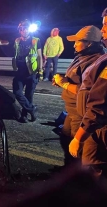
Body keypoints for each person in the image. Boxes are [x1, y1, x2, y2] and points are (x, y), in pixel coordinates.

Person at [53, 25, 105, 170]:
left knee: (79, 148)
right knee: (65, 138)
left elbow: (88, 92)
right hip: (71, 110)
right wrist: (63, 81)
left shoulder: (95, 61)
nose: (74, 44)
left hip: (80, 112)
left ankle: (77, 180)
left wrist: (63, 84)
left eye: (78, 41)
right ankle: (68, 170)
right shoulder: (82, 56)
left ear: (89, 43)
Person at [68, 9, 107, 178]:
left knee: (95, 172)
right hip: (93, 126)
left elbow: (99, 102)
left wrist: (79, 137)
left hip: (97, 128)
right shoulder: (101, 60)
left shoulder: (99, 59)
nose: (103, 30)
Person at [12, 19, 43, 123]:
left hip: (31, 72)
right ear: (19, 30)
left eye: (25, 28)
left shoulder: (35, 40)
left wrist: (40, 71)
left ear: (29, 30)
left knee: (28, 95)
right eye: (21, 29)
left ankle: (24, 116)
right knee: (17, 92)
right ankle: (32, 109)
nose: (23, 30)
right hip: (20, 71)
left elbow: (39, 56)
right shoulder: (17, 41)